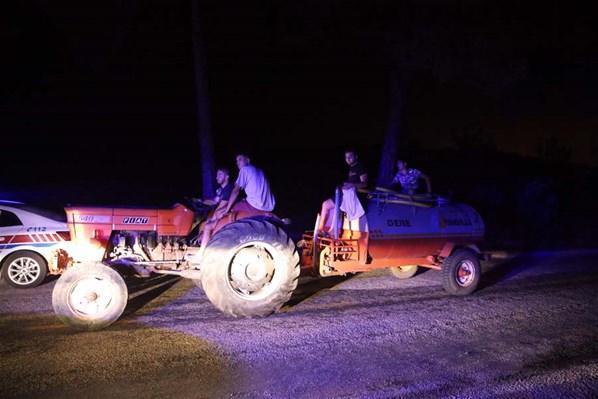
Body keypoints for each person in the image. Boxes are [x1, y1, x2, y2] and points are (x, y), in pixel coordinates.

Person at [318, 149, 368, 233]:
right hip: (343, 194)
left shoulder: (360, 167)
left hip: (353, 197)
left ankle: (333, 231)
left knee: (338, 205)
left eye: (350, 156)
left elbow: (364, 184)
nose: (348, 159)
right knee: (325, 204)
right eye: (346, 157)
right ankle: (320, 230)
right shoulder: (350, 168)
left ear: (356, 157)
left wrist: (351, 185)